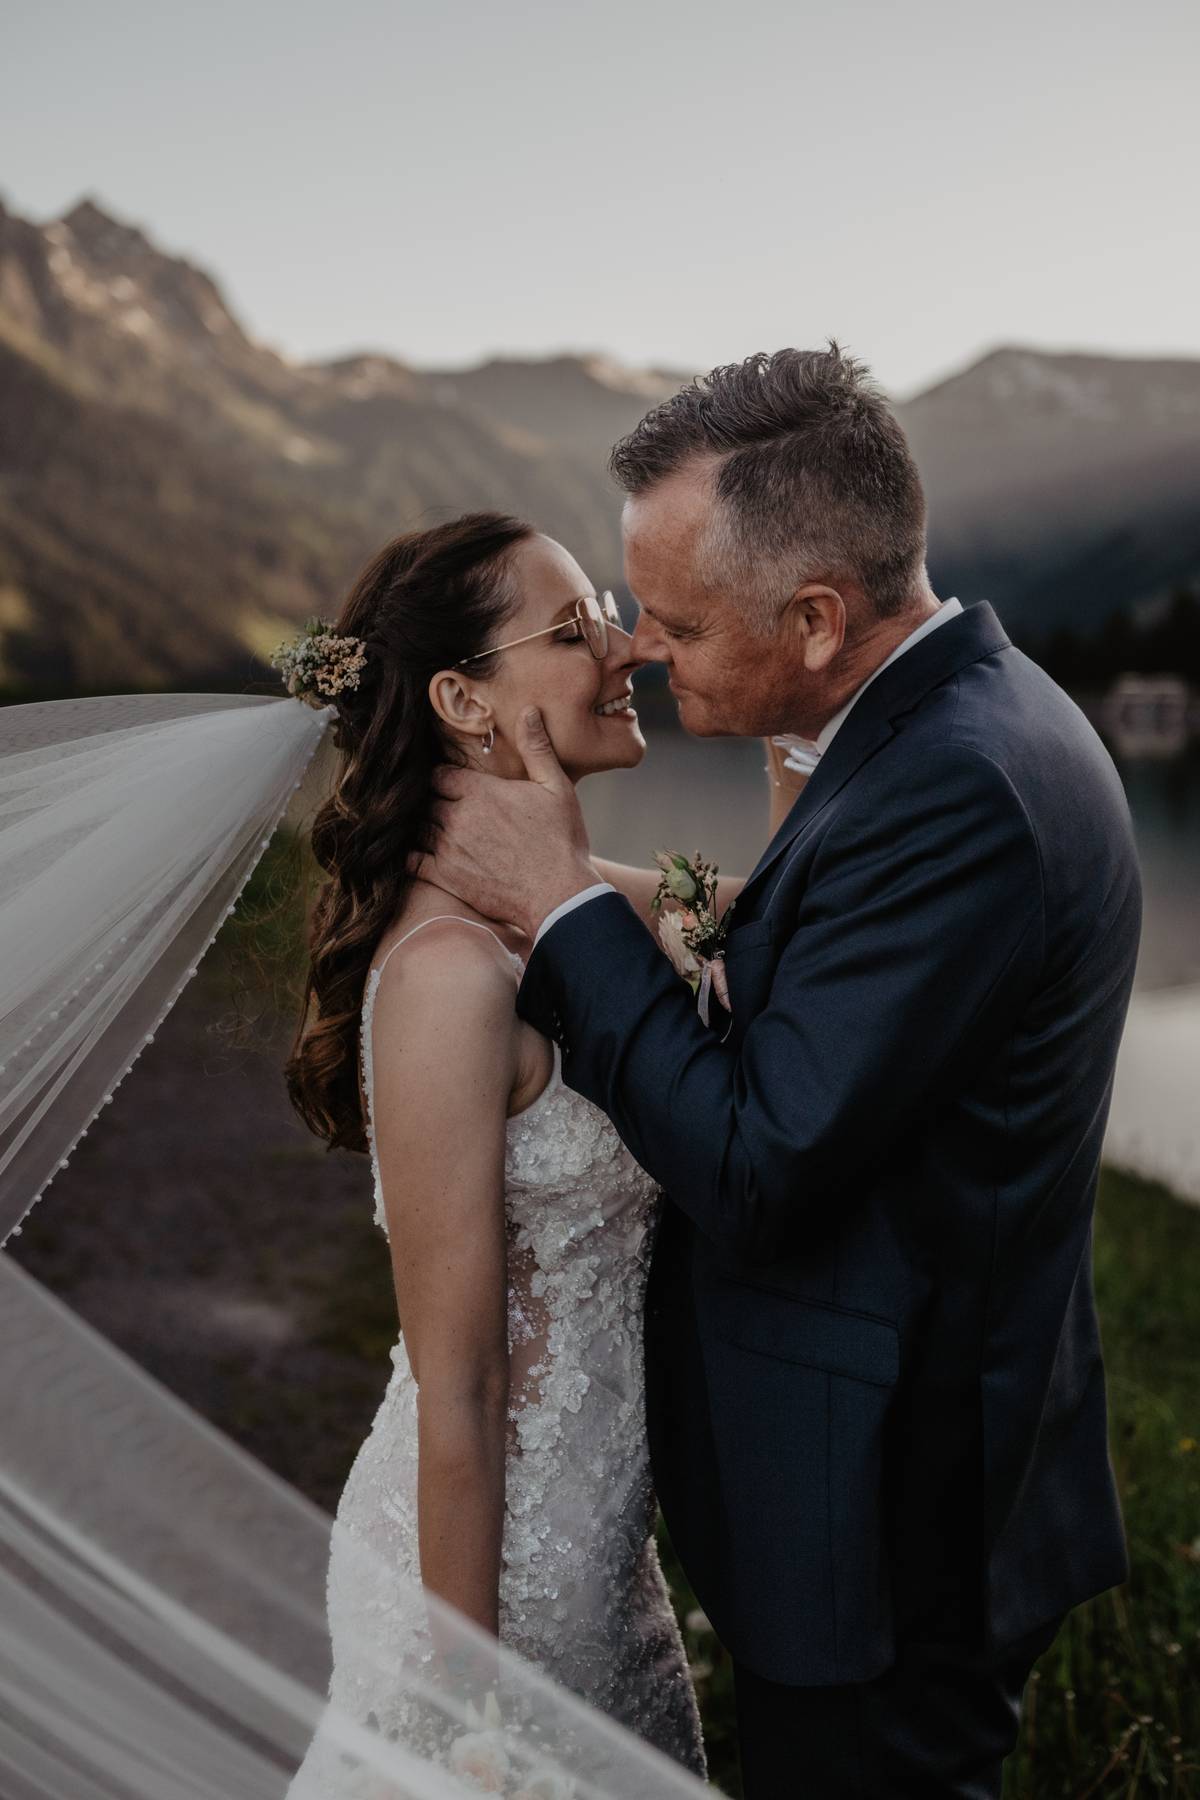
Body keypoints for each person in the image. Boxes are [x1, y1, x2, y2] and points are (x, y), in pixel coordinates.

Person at [417, 347, 1143, 1799]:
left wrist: (560, 909)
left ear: (816, 618)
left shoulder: (960, 788)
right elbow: (841, 992)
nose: (641, 651)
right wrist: (616, 895)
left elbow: (761, 1158)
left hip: (889, 1522)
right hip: (903, 1473)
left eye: (676, 622)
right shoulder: (942, 731)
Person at [280, 512, 707, 1789]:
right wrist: (473, 1714)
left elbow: (750, 918)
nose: (622, 646)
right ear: (463, 698)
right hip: (498, 1580)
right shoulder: (452, 979)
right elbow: (457, 1388)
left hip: (599, 1553)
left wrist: (800, 714)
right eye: (575, 628)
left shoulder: (551, 910)